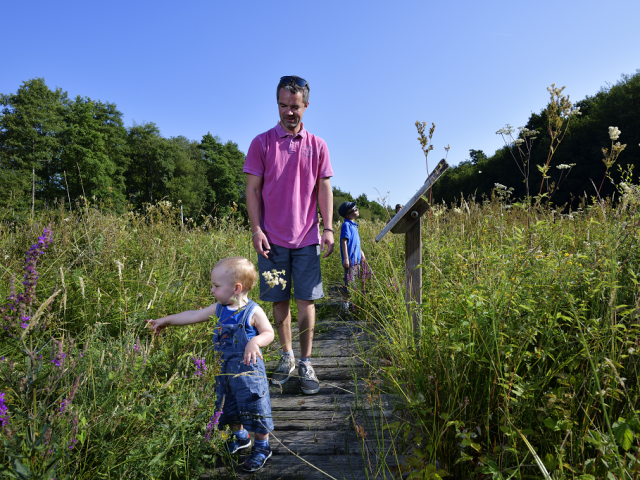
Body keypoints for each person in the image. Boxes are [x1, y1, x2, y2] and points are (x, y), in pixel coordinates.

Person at [244, 75, 334, 395]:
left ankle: (307, 361)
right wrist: (256, 230)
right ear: (277, 105)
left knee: (306, 300)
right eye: (283, 105)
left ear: (306, 106)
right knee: (278, 300)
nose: (288, 112)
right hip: (271, 240)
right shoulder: (262, 143)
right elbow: (252, 191)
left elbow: (324, 188)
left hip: (307, 237)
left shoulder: (318, 145)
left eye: (294, 106)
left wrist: (327, 227)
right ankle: (287, 357)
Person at [146, 257, 276, 472]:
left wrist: (255, 341)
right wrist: (166, 320)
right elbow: (194, 315)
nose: (212, 290)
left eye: (216, 286)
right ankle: (240, 437)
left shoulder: (252, 311)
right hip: (223, 372)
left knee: (255, 408)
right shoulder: (219, 309)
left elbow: (268, 333)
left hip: (249, 374)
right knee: (228, 406)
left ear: (236, 288)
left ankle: (262, 446)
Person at [338, 201, 366, 311]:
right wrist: (345, 258)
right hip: (350, 261)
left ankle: (353, 306)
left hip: (356, 260)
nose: (357, 209)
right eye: (354, 209)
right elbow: (344, 241)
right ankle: (345, 308)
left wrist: (361, 253)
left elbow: (356, 243)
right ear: (347, 214)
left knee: (354, 283)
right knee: (349, 285)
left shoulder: (354, 225)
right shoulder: (346, 225)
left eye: (356, 208)